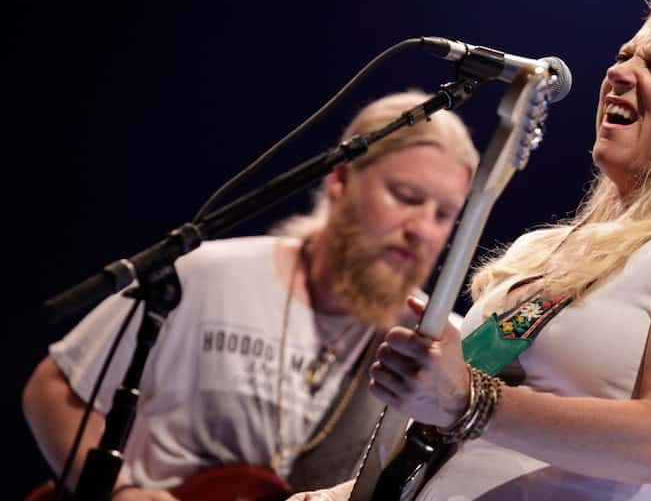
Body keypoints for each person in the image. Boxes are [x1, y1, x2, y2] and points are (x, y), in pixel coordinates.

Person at [292, 0, 651, 501]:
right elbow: (456, 444)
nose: (618, 72)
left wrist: (468, 398)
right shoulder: (544, 255)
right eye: (625, 55)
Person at [21, 90, 479, 500]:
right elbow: (54, 386)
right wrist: (123, 494)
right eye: (405, 196)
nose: (422, 229)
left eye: (444, 215)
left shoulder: (439, 351)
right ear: (340, 180)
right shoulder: (206, 275)